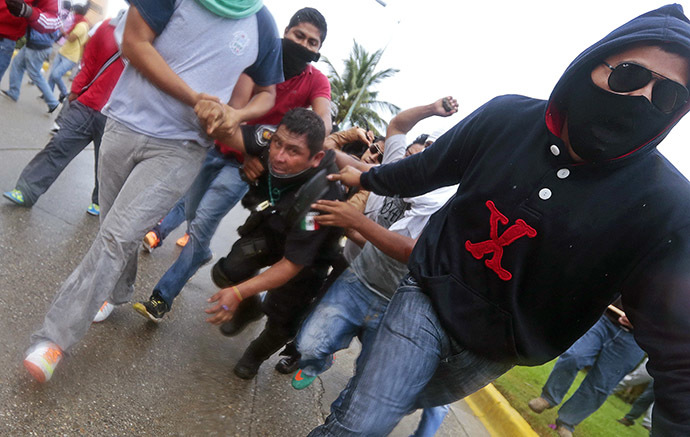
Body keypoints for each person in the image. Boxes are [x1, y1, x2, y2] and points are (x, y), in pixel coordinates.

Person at [308, 5, 690, 436]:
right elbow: (423, 171)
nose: (642, 98)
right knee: (363, 423)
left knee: (387, 398)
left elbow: (679, 353)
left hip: (501, 348)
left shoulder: (667, 206)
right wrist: (369, 176)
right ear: (590, 66)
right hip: (431, 291)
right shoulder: (506, 118)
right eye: (629, 76)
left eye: (668, 96)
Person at [22, 0, 283, 383]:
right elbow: (134, 42)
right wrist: (197, 99)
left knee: (116, 236)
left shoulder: (260, 21)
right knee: (112, 227)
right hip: (125, 122)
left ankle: (53, 340)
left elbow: (268, 93)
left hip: (182, 146)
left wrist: (236, 114)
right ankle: (120, 289)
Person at [133, 7, 331, 326]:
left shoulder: (316, 81)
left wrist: (318, 137)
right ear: (286, 33)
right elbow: (235, 107)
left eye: (313, 42)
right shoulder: (261, 58)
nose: (304, 45)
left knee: (200, 227)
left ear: (318, 50)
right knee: (187, 205)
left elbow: (323, 119)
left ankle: (161, 298)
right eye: (299, 36)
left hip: (244, 168)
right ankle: (195, 251)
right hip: (216, 146)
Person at [292, 97, 458, 437]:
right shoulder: (405, 168)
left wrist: (355, 225)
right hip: (358, 280)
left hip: (398, 305)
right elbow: (397, 126)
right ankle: (319, 360)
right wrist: (432, 108)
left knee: (364, 391)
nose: (435, 160)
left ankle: (337, 423)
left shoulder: (449, 206)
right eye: (433, 151)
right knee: (308, 346)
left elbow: (413, 252)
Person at [200, 107, 344, 379]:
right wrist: (246, 154)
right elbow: (226, 131)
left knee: (283, 320)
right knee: (227, 271)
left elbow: (291, 264)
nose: (278, 156)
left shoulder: (323, 197)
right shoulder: (270, 141)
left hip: (308, 258)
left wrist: (238, 293)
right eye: (277, 143)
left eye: (293, 151)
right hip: (275, 228)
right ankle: (251, 308)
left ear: (316, 158)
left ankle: (255, 355)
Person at [3, 11, 126, 215]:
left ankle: (99, 201)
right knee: (59, 144)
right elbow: (90, 59)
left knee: (106, 165)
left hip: (118, 117)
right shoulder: (108, 27)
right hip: (87, 104)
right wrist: (76, 89)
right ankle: (27, 190)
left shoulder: (157, 39)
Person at [527, 301, 645, 436]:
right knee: (574, 356)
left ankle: (567, 422)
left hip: (637, 339)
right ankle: (548, 398)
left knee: (601, 384)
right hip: (606, 319)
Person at [1, 25, 60, 111]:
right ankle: (13, 92)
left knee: (35, 74)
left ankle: (52, 102)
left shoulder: (42, 13)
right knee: (17, 64)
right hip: (40, 44)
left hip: (36, 45)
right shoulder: (53, 15)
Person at [0, 0, 60, 82]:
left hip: (6, 38)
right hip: (19, 40)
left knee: (33, 73)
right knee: (20, 66)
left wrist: (29, 12)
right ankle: (14, 92)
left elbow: (55, 21)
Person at [46, 2, 89, 107]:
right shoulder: (77, 23)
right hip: (63, 51)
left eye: (74, 12)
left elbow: (71, 38)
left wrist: (62, 30)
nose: (73, 14)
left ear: (78, 13)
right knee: (52, 75)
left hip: (71, 56)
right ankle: (48, 95)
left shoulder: (81, 25)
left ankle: (64, 92)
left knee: (56, 75)